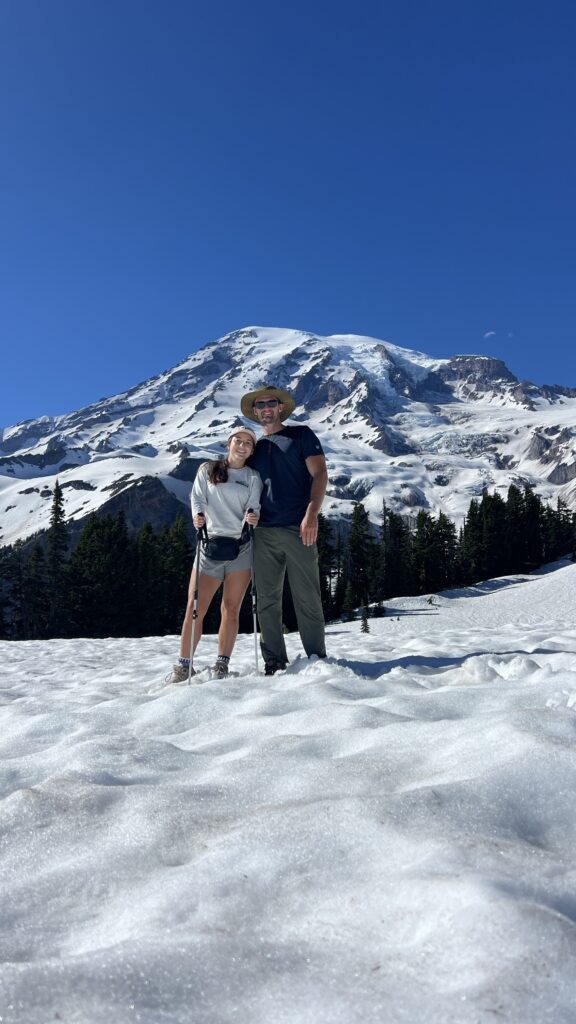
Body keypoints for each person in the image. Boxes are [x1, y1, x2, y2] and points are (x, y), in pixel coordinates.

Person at [240, 385, 328, 674]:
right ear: (255, 411)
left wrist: (311, 514)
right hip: (263, 533)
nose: (265, 408)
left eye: (271, 403)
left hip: (299, 528)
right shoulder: (254, 449)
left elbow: (319, 474)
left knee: (308, 598)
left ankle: (317, 659)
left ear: (280, 407)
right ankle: (274, 662)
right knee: (266, 601)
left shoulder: (301, 435)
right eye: (260, 404)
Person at [165, 427, 262, 682]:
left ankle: (222, 664)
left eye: (248, 443)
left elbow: (255, 504)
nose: (242, 446)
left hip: (240, 549)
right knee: (195, 608)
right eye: (238, 441)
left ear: (252, 451)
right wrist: (197, 516)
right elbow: (197, 498)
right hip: (209, 548)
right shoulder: (208, 470)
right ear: (229, 443)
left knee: (230, 608)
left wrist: (252, 515)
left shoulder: (252, 477)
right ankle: (184, 665)